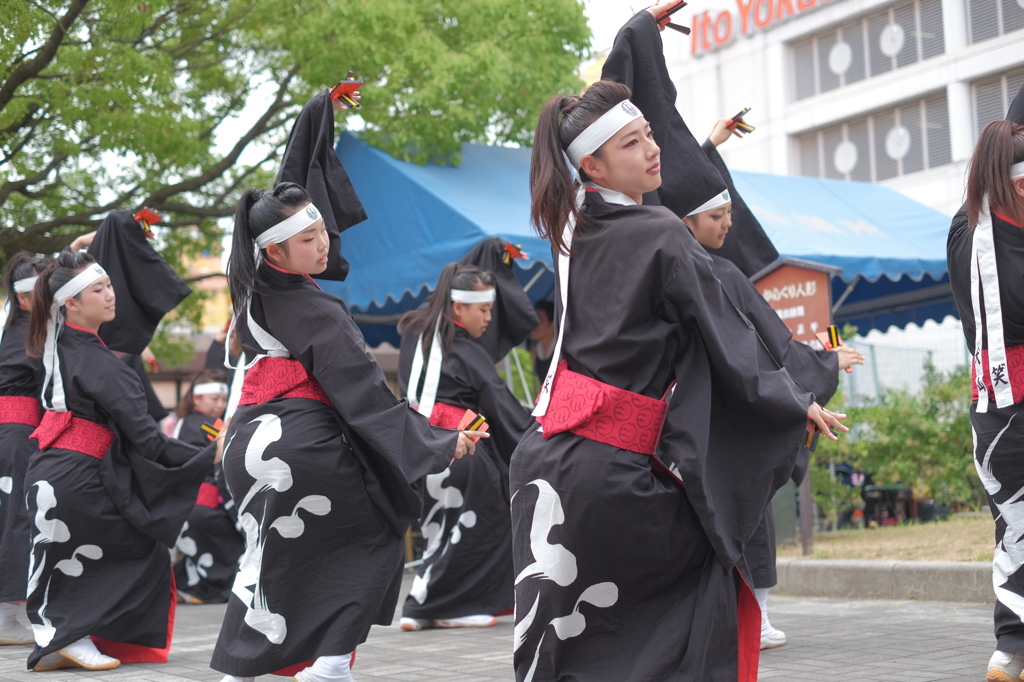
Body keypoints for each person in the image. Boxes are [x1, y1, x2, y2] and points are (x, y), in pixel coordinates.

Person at [510, 18, 847, 680]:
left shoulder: (573, 229)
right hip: (617, 476)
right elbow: (729, 336)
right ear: (594, 165)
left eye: (651, 135)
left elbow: (590, 120)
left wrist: (636, 37)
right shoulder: (659, 233)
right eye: (634, 144)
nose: (654, 150)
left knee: (570, 649)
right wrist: (792, 397)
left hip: (549, 464)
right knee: (692, 622)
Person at [211, 182, 480, 682]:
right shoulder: (316, 308)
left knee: (271, 554)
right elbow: (366, 394)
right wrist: (440, 442)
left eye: (322, 232)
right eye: (309, 238)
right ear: (275, 249)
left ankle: (241, 671)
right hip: (298, 444)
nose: (324, 244)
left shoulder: (253, 292)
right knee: (376, 527)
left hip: (248, 441)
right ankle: (331, 664)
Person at [685, 117, 866, 651]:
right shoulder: (680, 270)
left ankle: (753, 617)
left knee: (748, 515)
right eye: (716, 216)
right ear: (688, 222)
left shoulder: (724, 275)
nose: (726, 225)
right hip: (696, 417)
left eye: (728, 215)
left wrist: (822, 365)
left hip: (736, 410)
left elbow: (770, 347)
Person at [22, 249, 214, 672]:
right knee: (137, 549)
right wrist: (210, 456)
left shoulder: (65, 345)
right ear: (71, 303)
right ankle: (70, 633)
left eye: (109, 284)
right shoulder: (97, 362)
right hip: (77, 477)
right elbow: (148, 440)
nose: (111, 294)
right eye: (98, 288)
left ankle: (61, 636)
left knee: (79, 553)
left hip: (54, 472)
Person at [396, 263, 534, 631]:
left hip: (417, 447)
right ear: (458, 308)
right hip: (460, 450)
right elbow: (501, 408)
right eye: (484, 309)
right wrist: (536, 432)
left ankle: (424, 604)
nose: (489, 318)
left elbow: (444, 290)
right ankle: (439, 605)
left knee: (440, 532)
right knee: (476, 525)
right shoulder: (468, 352)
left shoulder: (415, 333)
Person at [947, 118, 1024, 682]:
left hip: (993, 408)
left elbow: (978, 188)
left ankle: (1011, 648)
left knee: (1015, 526)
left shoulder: (964, 234)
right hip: (1011, 404)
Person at [0, 253, 50, 645]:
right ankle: (5, 617)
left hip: (14, 431)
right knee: (17, 517)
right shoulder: (28, 336)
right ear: (22, 299)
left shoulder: (14, 329)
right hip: (16, 433)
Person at [172, 369, 242, 605]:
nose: (220, 404)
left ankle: (187, 583)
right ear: (196, 398)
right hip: (203, 505)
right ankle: (204, 588)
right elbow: (227, 454)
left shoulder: (184, 422)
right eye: (215, 399)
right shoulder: (211, 425)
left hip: (183, 505)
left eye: (224, 399)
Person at [529, 300, 555, 382]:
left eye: (539, 319)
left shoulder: (564, 349)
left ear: (552, 324)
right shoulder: (534, 352)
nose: (534, 324)